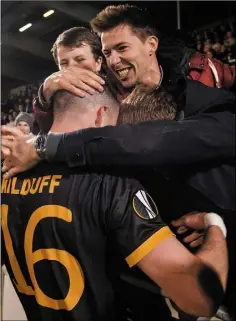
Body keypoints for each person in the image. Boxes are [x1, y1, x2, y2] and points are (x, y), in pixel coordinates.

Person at [1, 87, 228, 321]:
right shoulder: (109, 183)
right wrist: (215, 225)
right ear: (101, 115)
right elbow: (200, 300)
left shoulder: (8, 175)